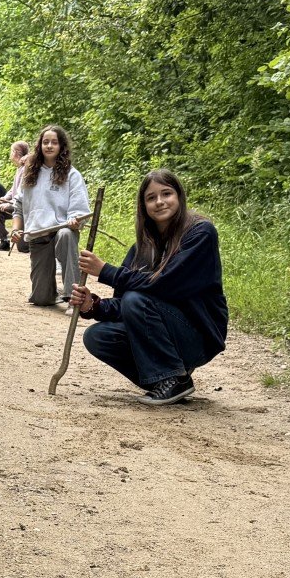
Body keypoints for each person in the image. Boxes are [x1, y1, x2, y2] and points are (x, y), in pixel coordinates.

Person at [70, 170, 227, 405]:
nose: (159, 202)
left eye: (167, 194)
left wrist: (106, 272)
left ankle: (175, 378)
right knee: (98, 336)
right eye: (151, 198)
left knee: (136, 298)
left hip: (198, 336)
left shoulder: (200, 233)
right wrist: (93, 305)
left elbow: (166, 285)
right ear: (143, 206)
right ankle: (166, 379)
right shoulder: (141, 249)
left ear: (179, 196)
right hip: (165, 331)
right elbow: (126, 306)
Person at [12, 124, 90, 305]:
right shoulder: (30, 173)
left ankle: (72, 296)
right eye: (45, 142)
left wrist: (75, 221)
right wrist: (15, 229)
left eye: (54, 142)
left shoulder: (72, 175)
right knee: (41, 299)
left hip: (62, 231)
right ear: (39, 145)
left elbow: (79, 211)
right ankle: (52, 291)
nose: (49, 146)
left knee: (66, 235)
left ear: (61, 146)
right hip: (38, 234)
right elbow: (18, 205)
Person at [0, 140, 31, 250]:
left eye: (11, 151)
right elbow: (13, 190)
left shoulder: (26, 168)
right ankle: (4, 240)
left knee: (23, 248)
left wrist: (9, 204)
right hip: (15, 203)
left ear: (16, 152)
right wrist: (3, 199)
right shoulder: (19, 168)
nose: (10, 154)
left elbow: (23, 193)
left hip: (23, 206)